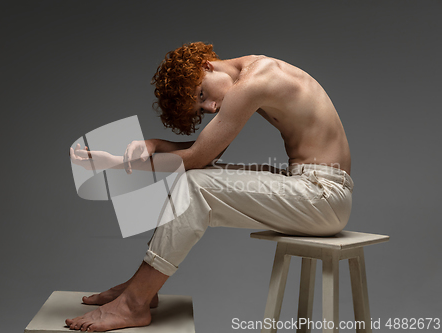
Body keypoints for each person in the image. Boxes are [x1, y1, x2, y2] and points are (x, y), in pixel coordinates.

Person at [67, 42, 353, 332]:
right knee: (193, 178)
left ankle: (134, 303)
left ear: (205, 66)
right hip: (310, 187)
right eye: (203, 108)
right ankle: (143, 288)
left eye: (202, 95)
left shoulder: (255, 81)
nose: (211, 107)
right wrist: (154, 144)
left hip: (323, 195)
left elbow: (198, 158)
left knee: (194, 184)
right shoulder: (251, 74)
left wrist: (117, 164)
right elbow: (209, 153)